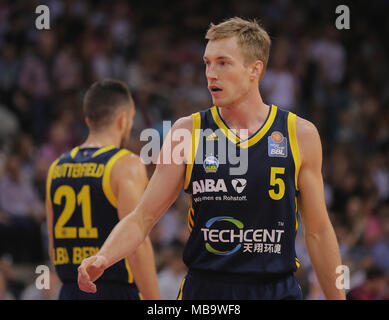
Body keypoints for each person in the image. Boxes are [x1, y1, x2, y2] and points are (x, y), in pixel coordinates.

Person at [78, 17, 345, 300]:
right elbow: (143, 217)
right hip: (206, 291)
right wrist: (104, 257)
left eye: (223, 62)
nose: (211, 73)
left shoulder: (299, 133)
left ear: (255, 69)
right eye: (207, 63)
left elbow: (318, 231)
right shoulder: (187, 132)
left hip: (275, 289)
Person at [46, 79, 160, 300]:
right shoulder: (125, 164)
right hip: (114, 290)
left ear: (88, 120)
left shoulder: (56, 167)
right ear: (123, 119)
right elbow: (137, 245)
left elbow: (53, 246)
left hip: (69, 290)